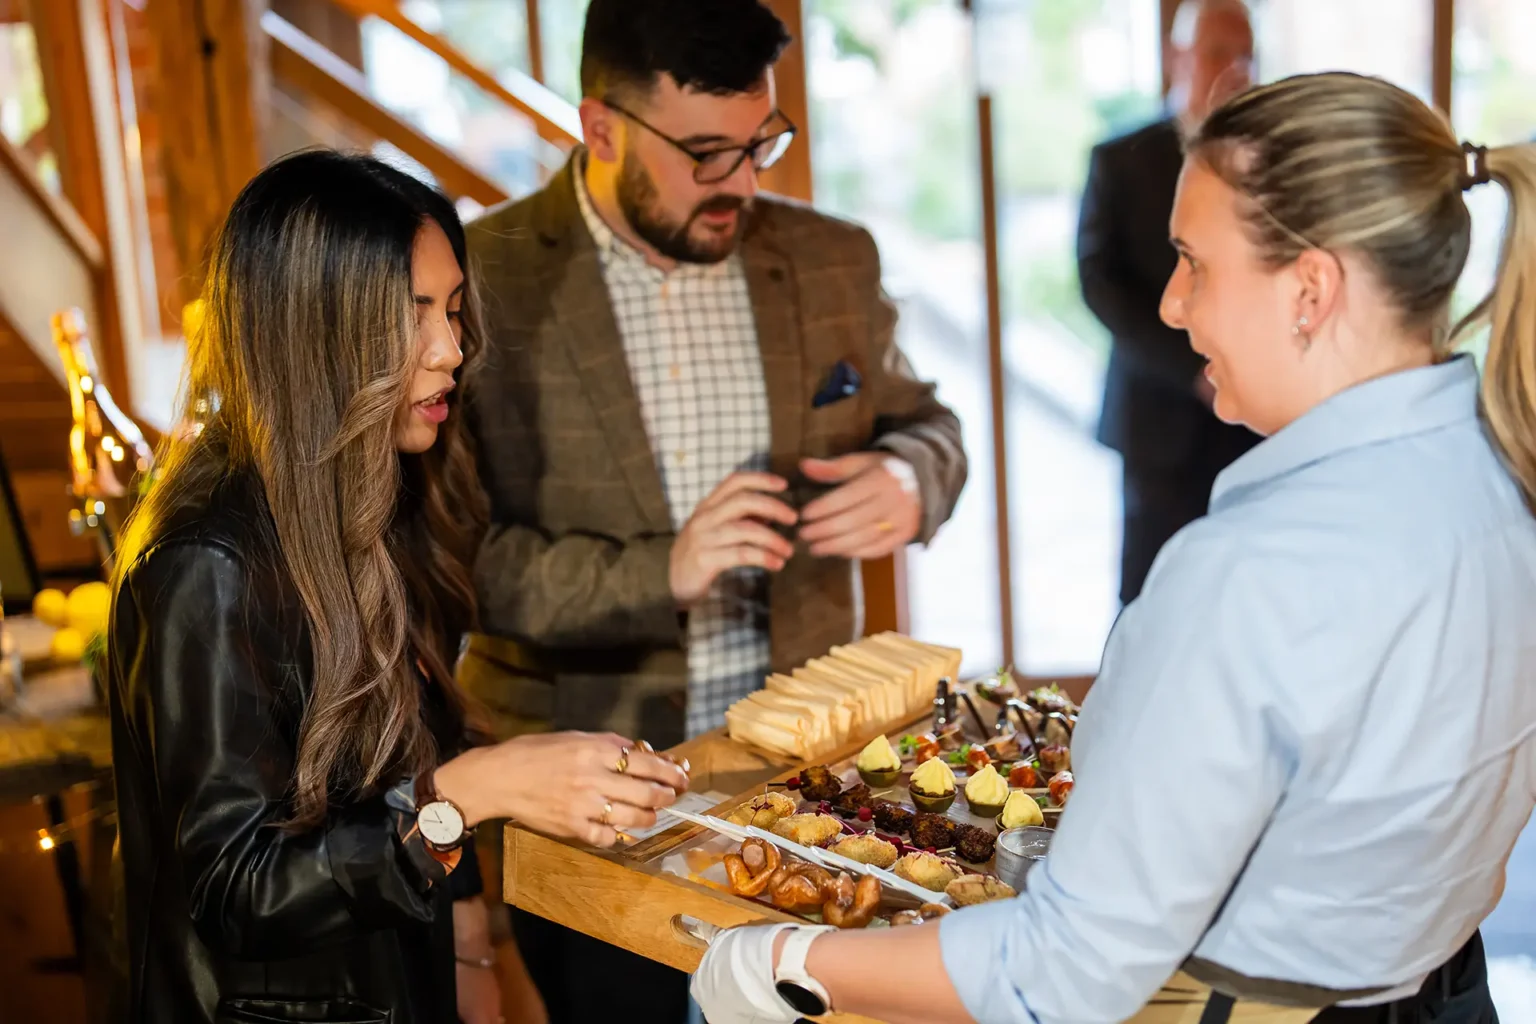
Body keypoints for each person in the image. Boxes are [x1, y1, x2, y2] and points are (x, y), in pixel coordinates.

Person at [692, 71, 1536, 1024]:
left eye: (1194, 262)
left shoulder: (1249, 570)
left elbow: (1058, 972)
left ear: (1311, 289)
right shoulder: (1503, 477)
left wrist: (783, 958)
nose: (1172, 306)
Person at [463, 2, 966, 1018]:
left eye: (761, 143)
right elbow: (463, 562)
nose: (744, 181)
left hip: (817, 793)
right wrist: (666, 568)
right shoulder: (479, 281)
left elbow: (929, 423)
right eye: (706, 153)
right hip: (591, 800)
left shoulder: (832, 259)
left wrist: (909, 480)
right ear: (599, 129)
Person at [106, 150, 689, 1024]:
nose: (452, 349)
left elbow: (401, 770)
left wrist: (469, 948)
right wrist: (471, 793)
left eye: (453, 312)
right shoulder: (207, 563)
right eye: (413, 316)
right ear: (315, 330)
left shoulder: (382, 493)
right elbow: (234, 891)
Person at [1079, 0, 1259, 604]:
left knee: (1239, 588)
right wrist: (1193, 369)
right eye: (1218, 52)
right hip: (1157, 415)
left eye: (1246, 54)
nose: (1235, 68)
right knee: (1151, 591)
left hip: (1252, 420)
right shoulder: (1122, 157)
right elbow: (1101, 283)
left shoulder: (1267, 161)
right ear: (1177, 56)